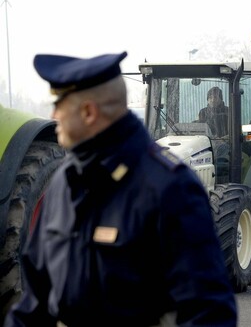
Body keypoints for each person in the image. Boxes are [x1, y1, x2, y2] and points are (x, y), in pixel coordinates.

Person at [4, 52, 237, 326]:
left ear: (89, 112)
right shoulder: (63, 185)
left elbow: (209, 314)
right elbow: (35, 304)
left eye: (60, 104)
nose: (53, 115)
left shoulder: (170, 190)